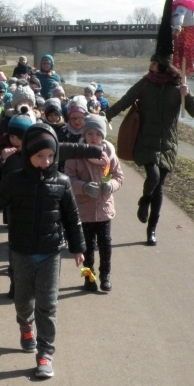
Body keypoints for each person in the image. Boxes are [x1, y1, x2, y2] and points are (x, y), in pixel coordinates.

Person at [0, 123, 85, 379]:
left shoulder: (62, 182)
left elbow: (72, 218)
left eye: (51, 156)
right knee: (23, 302)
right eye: (39, 156)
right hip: (21, 254)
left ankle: (45, 353)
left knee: (48, 305)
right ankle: (25, 326)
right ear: (28, 155)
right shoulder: (14, 181)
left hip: (50, 254)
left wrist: (78, 248)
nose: (45, 161)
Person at [105, 0, 194, 246]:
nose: (149, 66)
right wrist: (105, 115)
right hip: (145, 142)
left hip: (168, 143)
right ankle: (144, 200)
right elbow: (125, 100)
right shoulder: (145, 83)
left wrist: (187, 93)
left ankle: (151, 229)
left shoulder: (176, 85)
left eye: (153, 63)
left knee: (159, 188)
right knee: (154, 177)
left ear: (162, 64)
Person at [64, 115, 123, 292]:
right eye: (89, 133)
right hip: (83, 210)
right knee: (86, 248)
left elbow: (118, 177)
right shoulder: (76, 155)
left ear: (103, 136)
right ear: (84, 134)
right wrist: (84, 187)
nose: (93, 137)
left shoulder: (110, 154)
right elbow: (68, 180)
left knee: (105, 244)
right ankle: (88, 278)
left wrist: (110, 185)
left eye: (97, 134)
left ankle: (105, 276)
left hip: (104, 208)